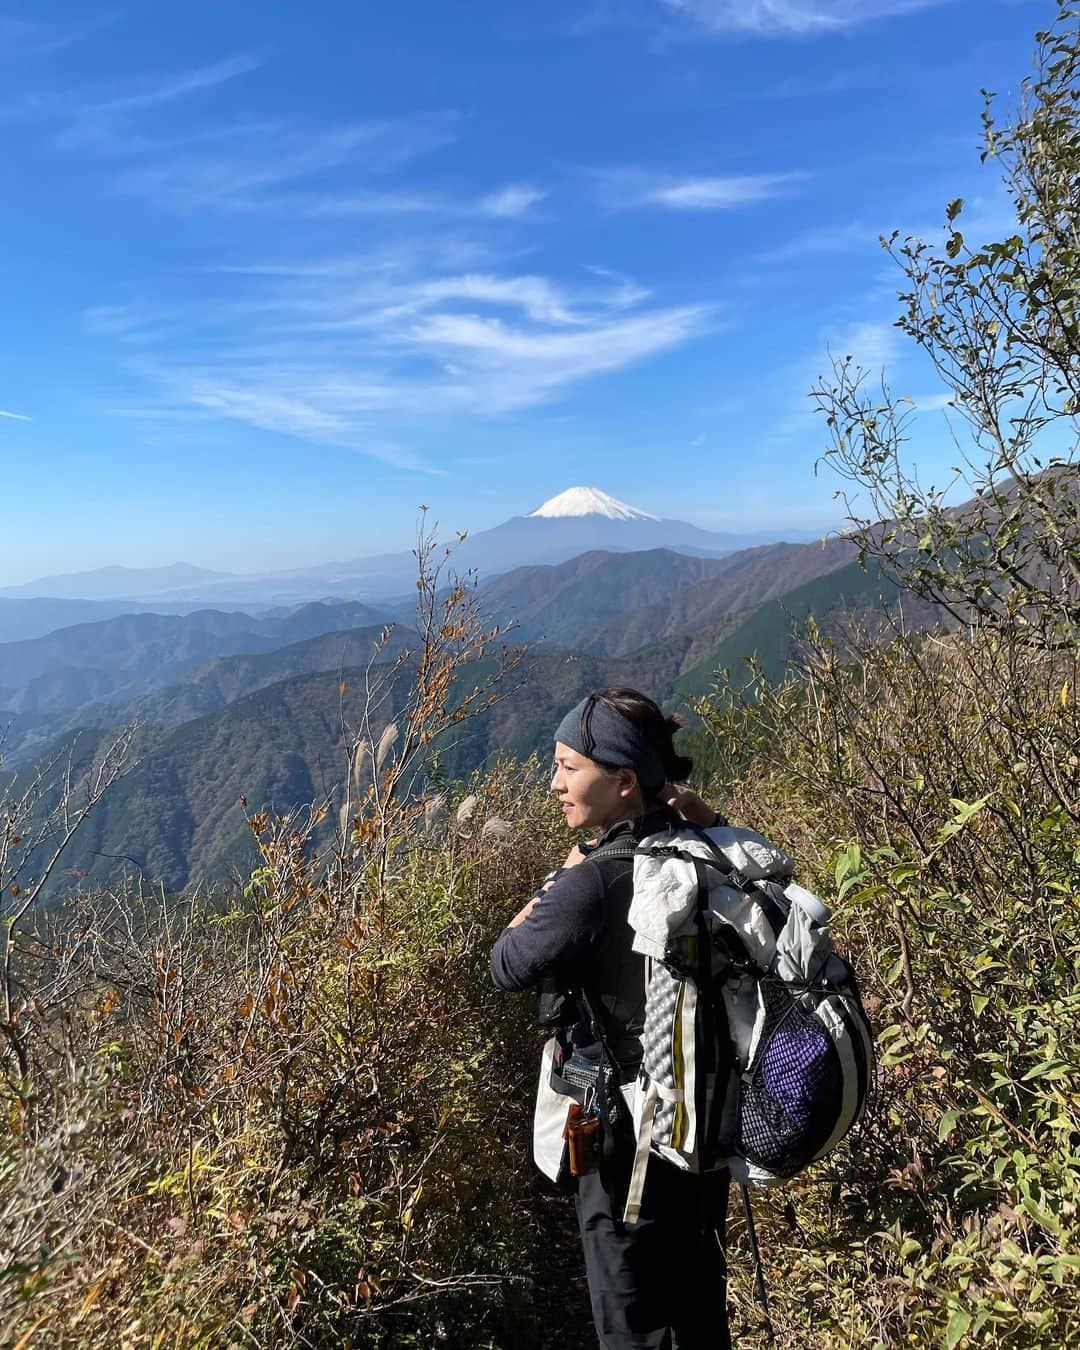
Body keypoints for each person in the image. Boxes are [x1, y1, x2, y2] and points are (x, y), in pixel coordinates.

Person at [490, 688, 732, 1350]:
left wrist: (557, 881)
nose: (555, 782)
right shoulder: (706, 852)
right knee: (698, 1304)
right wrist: (709, 820)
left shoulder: (591, 884)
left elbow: (506, 963)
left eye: (570, 767)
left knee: (630, 1318)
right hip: (700, 1116)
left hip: (621, 1134)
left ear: (624, 781)